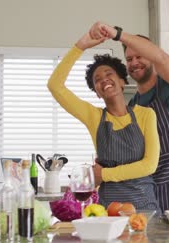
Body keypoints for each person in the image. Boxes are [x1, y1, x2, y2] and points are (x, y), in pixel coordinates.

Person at [88, 22, 169, 213]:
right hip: (145, 190)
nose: (134, 62)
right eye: (129, 58)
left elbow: (162, 58)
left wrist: (117, 34)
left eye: (140, 56)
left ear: (151, 55)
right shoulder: (133, 108)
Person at [47, 29, 161, 212]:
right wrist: (81, 46)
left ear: (123, 81)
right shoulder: (94, 117)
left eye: (109, 74)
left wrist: (103, 174)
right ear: (97, 93)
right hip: (107, 210)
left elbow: (149, 165)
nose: (104, 80)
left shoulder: (146, 115)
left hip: (144, 207)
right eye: (97, 80)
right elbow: (55, 86)